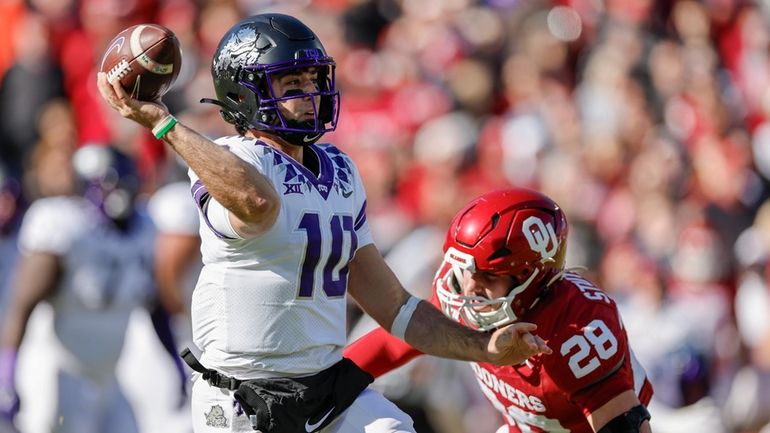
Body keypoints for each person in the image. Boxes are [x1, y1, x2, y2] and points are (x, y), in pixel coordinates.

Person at [96, 13, 551, 433]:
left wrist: (482, 345)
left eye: (313, 79)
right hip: (242, 400)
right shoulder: (227, 160)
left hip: (326, 388)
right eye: (291, 83)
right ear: (243, 95)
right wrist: (163, 123)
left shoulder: (340, 170)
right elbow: (256, 201)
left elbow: (394, 307)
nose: (310, 94)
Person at [344, 188, 655, 433]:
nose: (469, 288)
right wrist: (323, 381)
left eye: (489, 276)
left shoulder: (577, 329)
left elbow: (626, 425)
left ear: (531, 277)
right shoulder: (466, 296)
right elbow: (395, 343)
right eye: (466, 270)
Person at [0, 145, 186, 433]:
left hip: (109, 375)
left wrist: (175, 362)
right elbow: (23, 302)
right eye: (110, 183)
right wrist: (7, 369)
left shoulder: (144, 228)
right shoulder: (63, 225)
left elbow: (154, 303)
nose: (120, 191)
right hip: (56, 371)